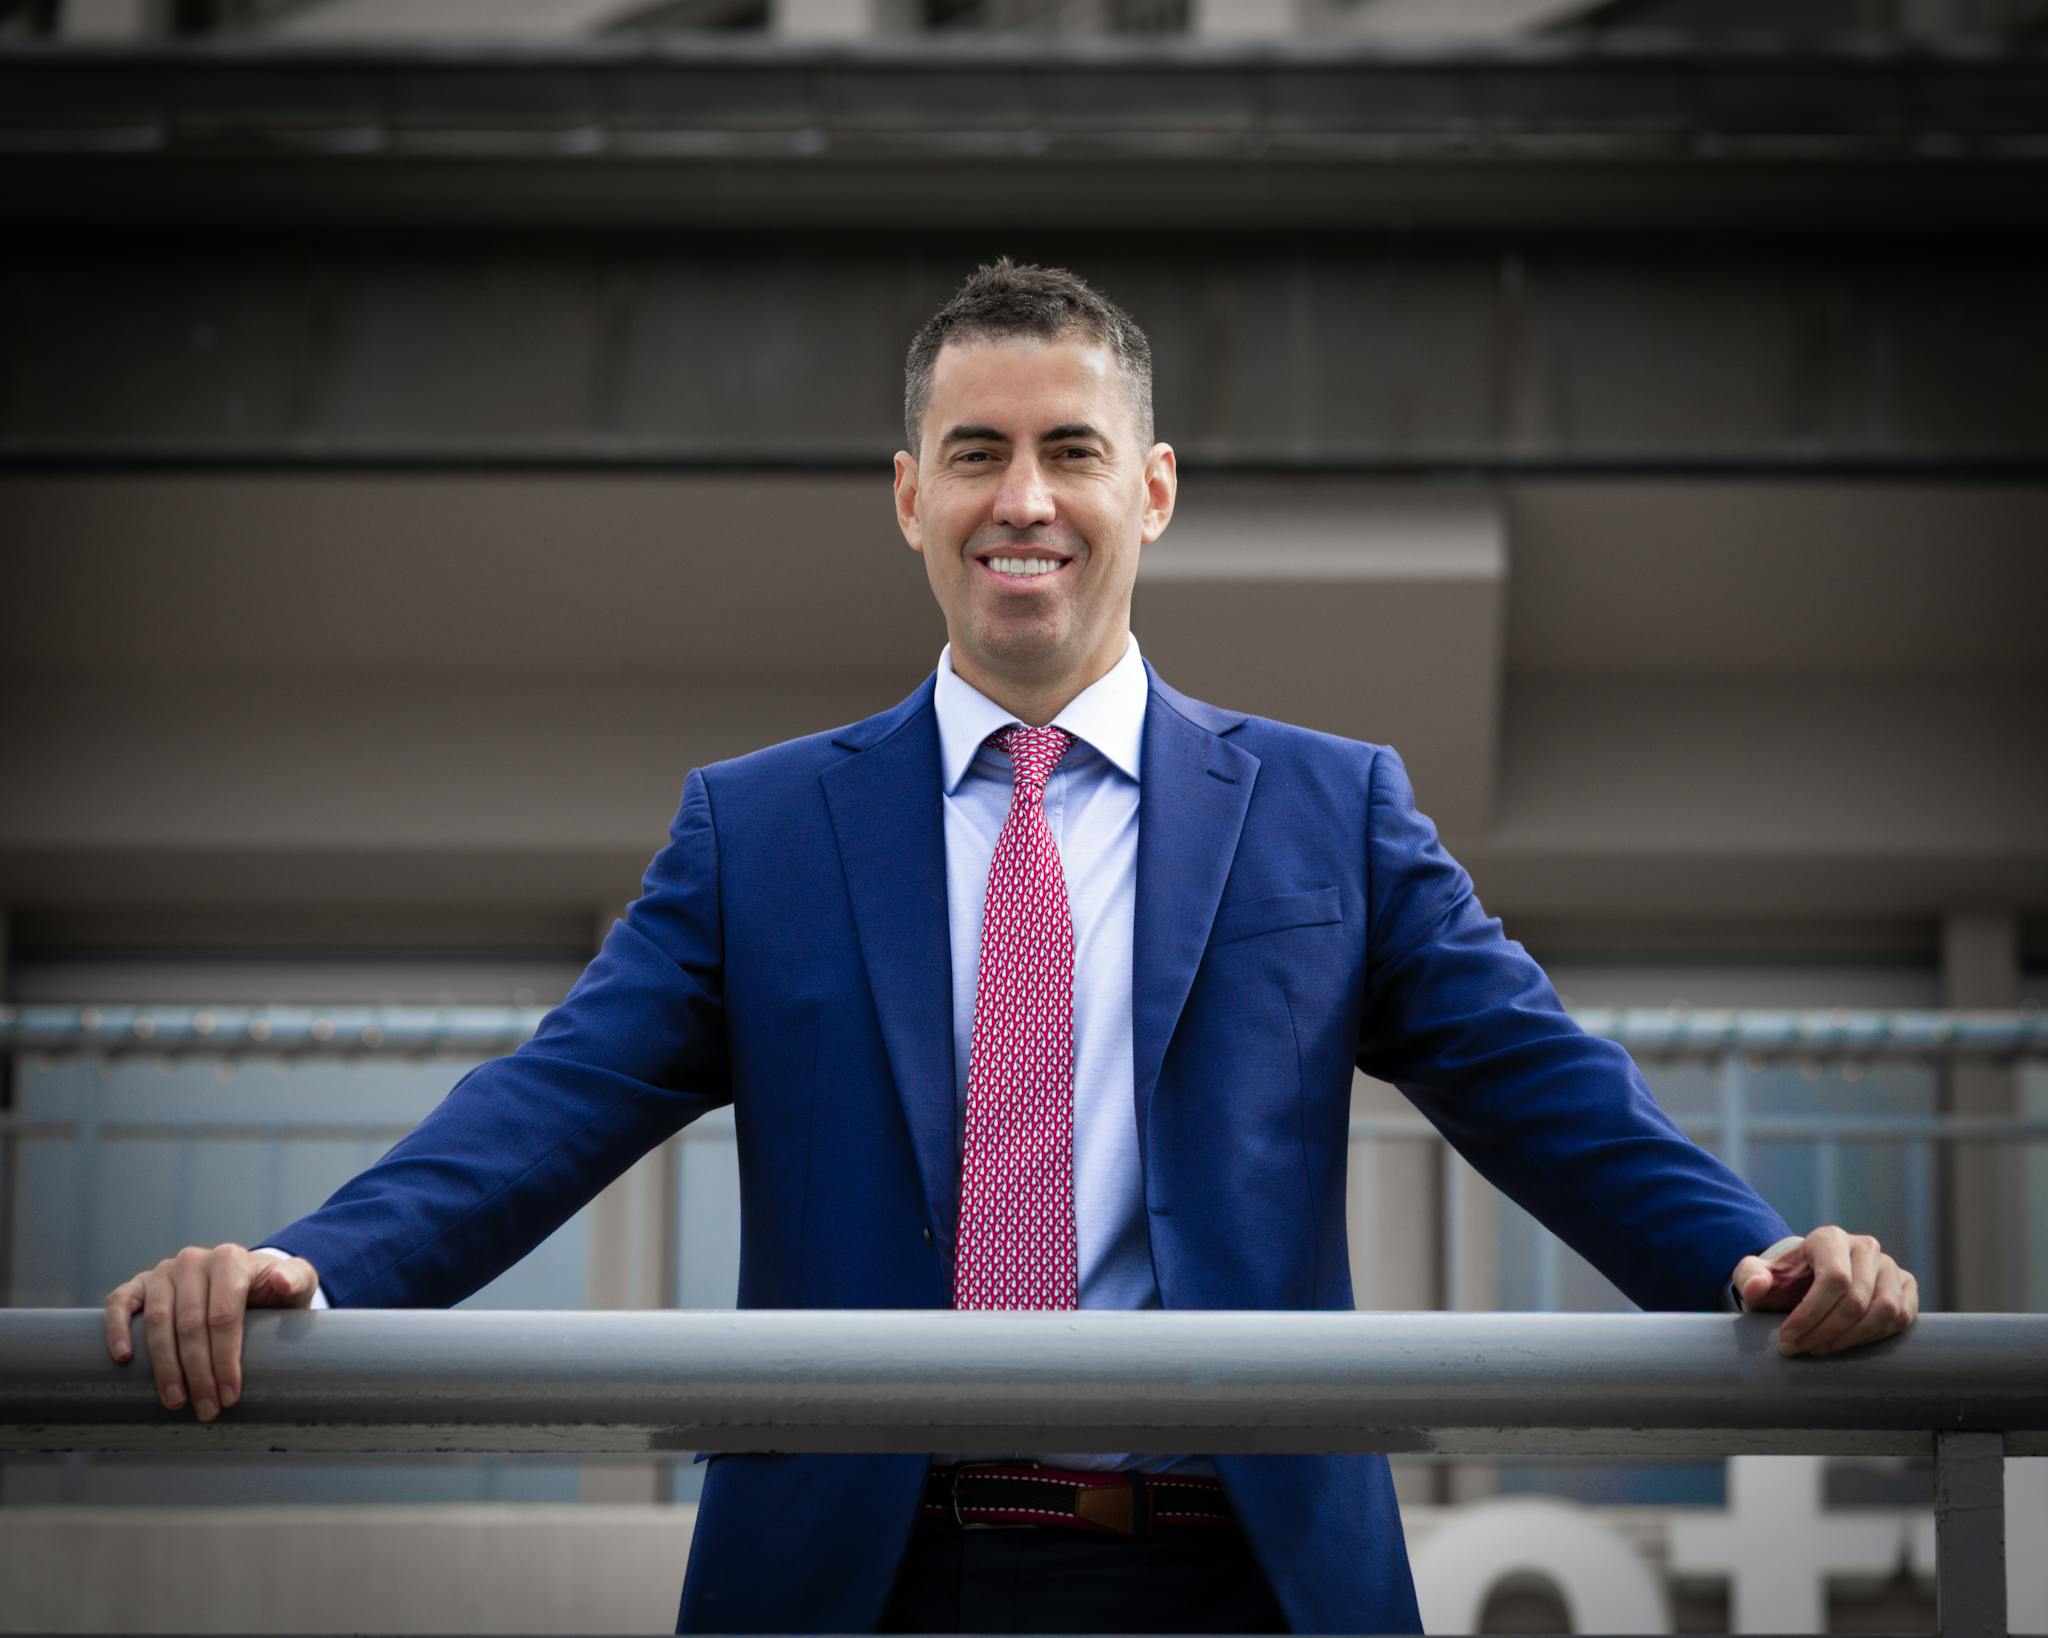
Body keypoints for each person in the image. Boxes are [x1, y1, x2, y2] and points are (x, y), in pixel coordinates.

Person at [102, 259, 1919, 1635]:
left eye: (1072, 451)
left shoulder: (1329, 809)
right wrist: (307, 1265)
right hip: (869, 1578)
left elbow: (1544, 1086)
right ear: (911, 495)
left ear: (1156, 488)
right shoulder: (760, 830)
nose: (1023, 499)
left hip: (1242, 1575)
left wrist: (1761, 1255)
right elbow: (550, 1101)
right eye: (976, 454)